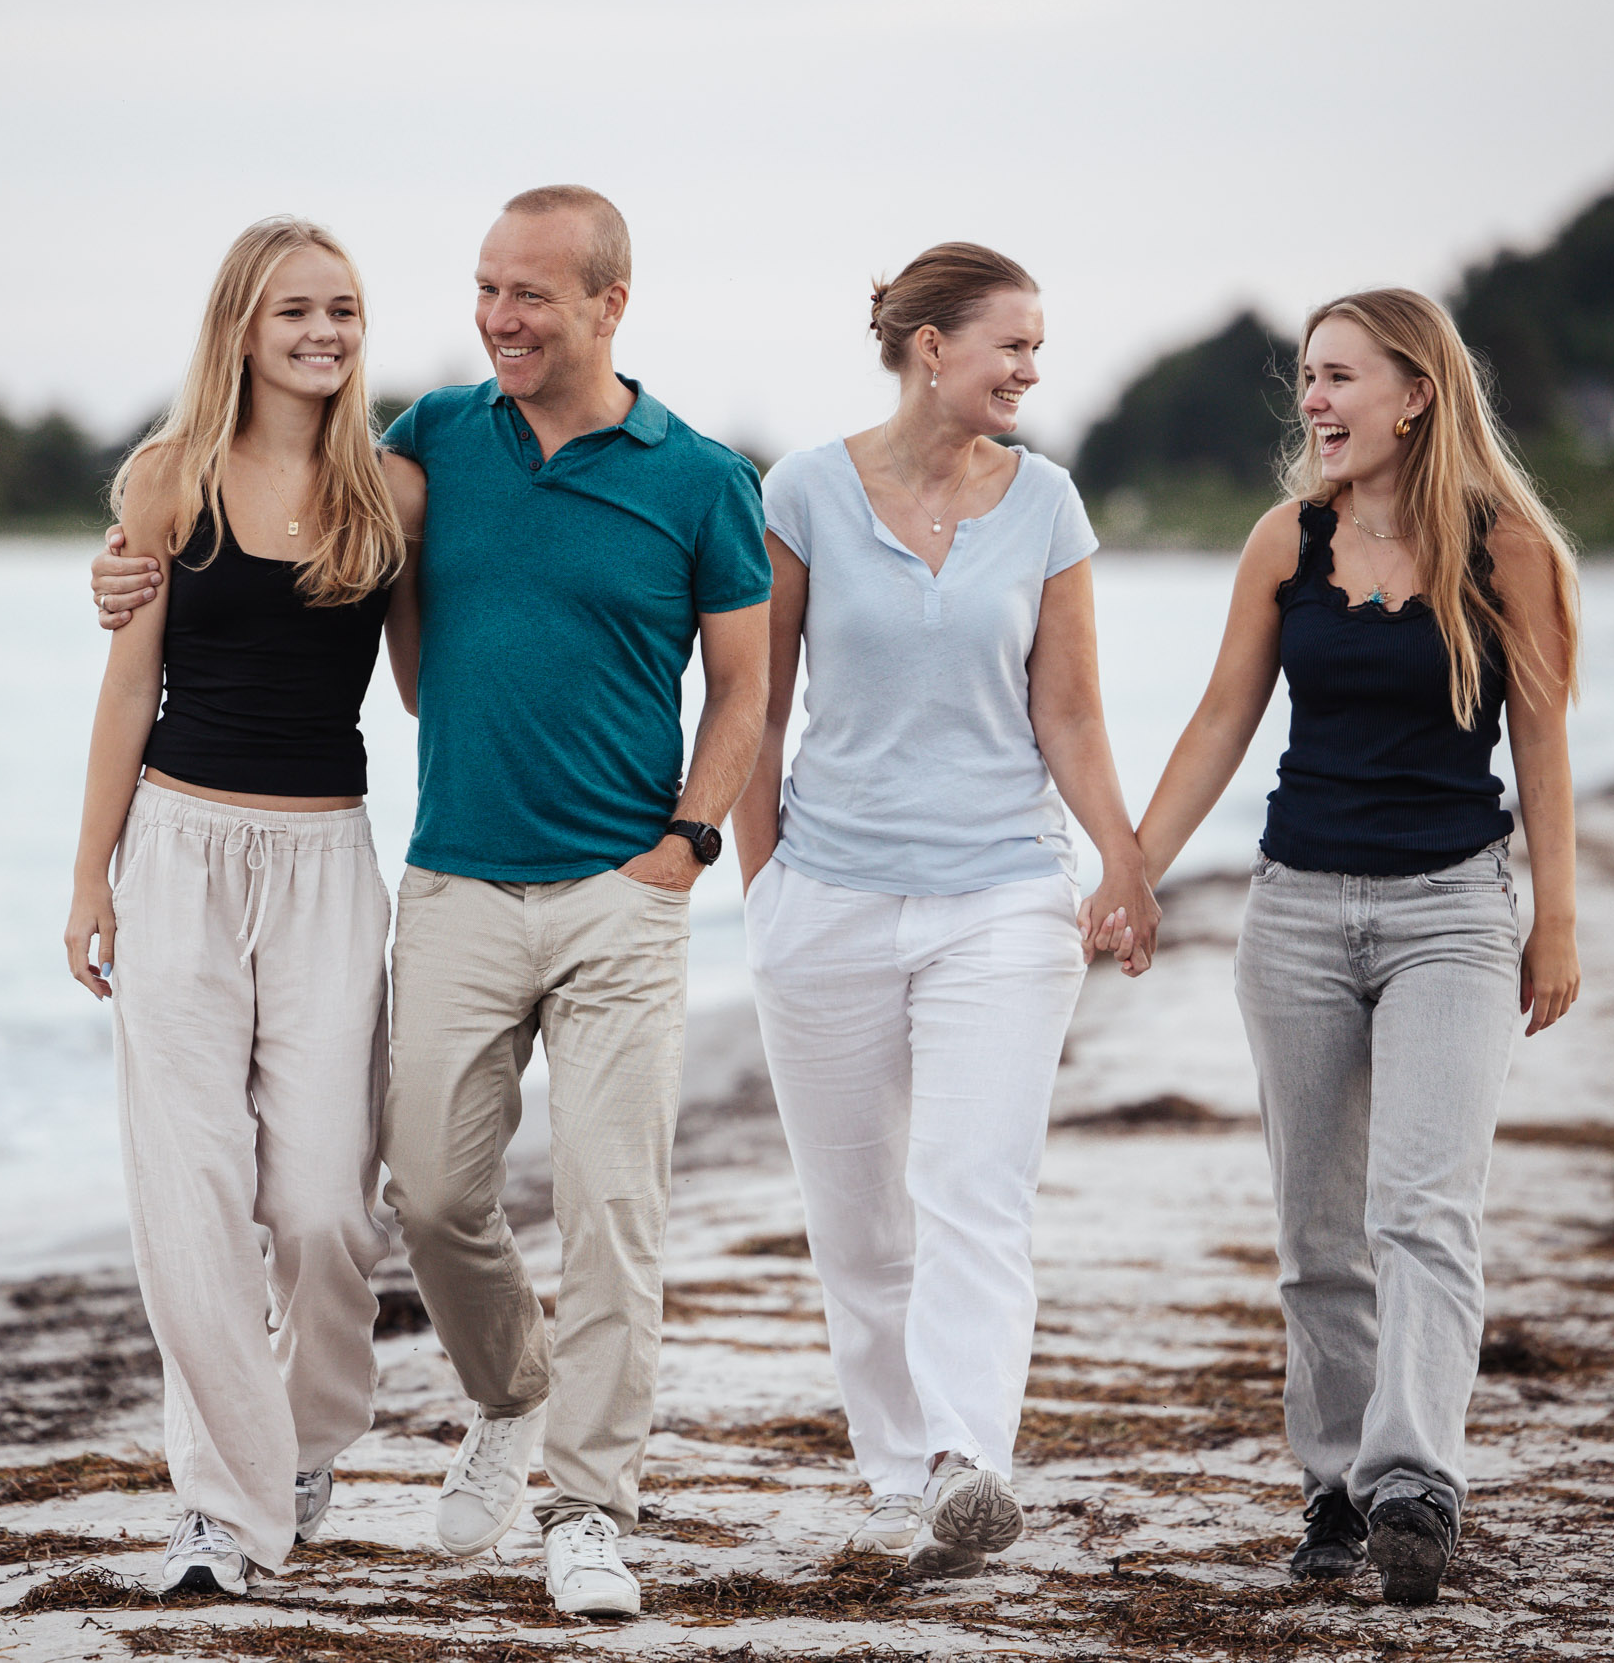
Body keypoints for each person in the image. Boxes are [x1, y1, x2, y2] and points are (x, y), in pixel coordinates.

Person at [94, 185, 771, 1619]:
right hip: (426, 871)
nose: (500, 318)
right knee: (416, 1190)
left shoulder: (656, 476)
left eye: (531, 295)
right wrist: (89, 852)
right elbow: (203, 625)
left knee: (567, 1203)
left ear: (610, 304)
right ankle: (405, 1430)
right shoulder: (426, 447)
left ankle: (585, 1508)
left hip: (564, 884)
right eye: (484, 290)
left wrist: (692, 840)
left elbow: (749, 685)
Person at [1128, 288, 1582, 1606]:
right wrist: (1132, 871)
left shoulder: (1507, 553)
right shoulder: (1288, 543)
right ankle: (1333, 1487)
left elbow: (1541, 740)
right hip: (1299, 917)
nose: (1314, 402)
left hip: (1451, 911)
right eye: (1308, 380)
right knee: (1318, 1230)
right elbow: (1222, 719)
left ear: (1417, 393)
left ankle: (1415, 1482)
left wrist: (1555, 917)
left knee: (1424, 1211)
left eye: (1338, 378)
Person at [731, 243, 1159, 1581]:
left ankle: (970, 1460)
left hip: (1004, 898)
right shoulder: (800, 490)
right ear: (929, 346)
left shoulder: (1047, 503)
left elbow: (1072, 712)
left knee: (973, 1191)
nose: (1033, 370)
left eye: (1038, 348)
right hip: (830, 898)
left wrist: (1125, 862)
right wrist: (764, 894)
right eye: (1012, 346)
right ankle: (896, 1473)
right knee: (859, 1221)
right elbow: (754, 703)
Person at [62, 216, 425, 1596]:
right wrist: (89, 873)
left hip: (329, 864)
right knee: (193, 1200)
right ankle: (223, 1507)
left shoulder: (392, 493)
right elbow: (126, 691)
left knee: (327, 1202)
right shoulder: (168, 481)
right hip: (179, 857)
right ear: (240, 330)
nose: (324, 333)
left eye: (343, 310)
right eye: (294, 313)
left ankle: (306, 1436)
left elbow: (425, 685)